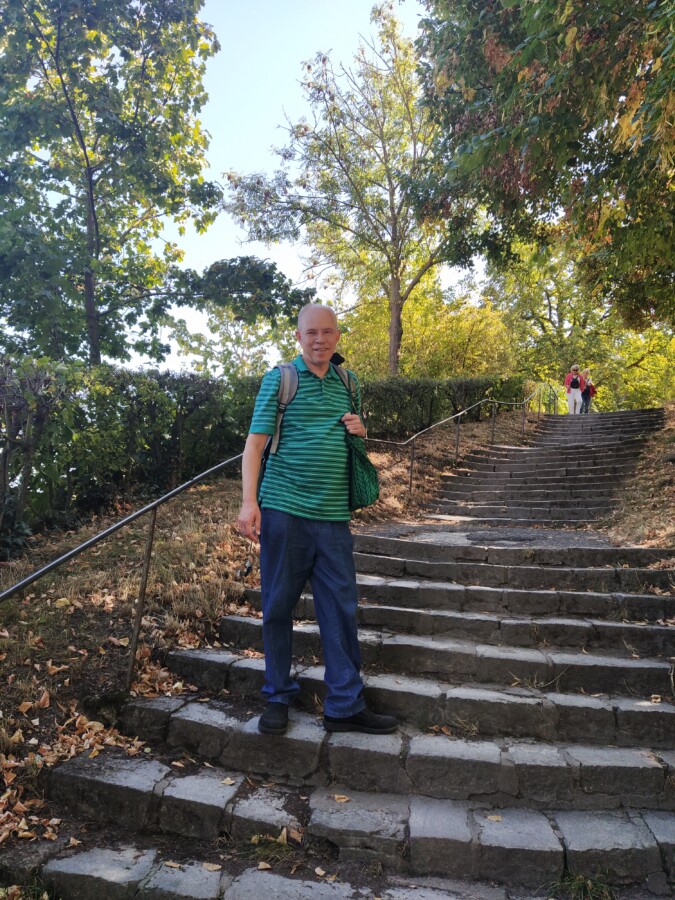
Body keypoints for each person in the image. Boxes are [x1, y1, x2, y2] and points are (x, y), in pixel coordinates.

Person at [237, 303, 398, 737]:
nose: (319, 339)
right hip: (284, 511)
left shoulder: (349, 383)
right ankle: (277, 696)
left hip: (333, 516)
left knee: (341, 609)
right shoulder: (281, 380)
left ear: (338, 336)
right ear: (298, 336)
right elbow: (254, 447)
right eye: (311, 332)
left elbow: (352, 443)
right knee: (277, 608)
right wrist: (249, 503)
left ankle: (345, 704)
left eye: (327, 332)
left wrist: (359, 431)